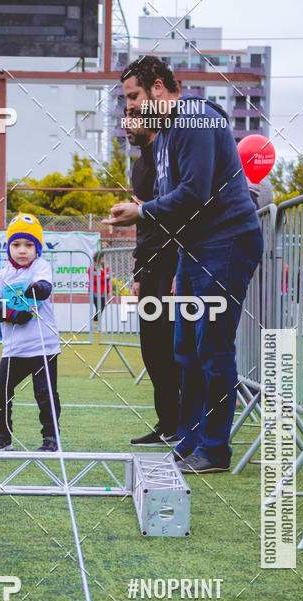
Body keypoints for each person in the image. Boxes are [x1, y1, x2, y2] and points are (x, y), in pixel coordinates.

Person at [107, 56, 263, 473]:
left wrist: (141, 213)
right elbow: (179, 209)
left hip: (227, 242)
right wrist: (178, 263)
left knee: (212, 348)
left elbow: (194, 193)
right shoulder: (168, 132)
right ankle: (192, 439)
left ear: (158, 87)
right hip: (197, 249)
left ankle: (214, 449)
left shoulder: (194, 117)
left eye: (134, 96)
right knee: (185, 349)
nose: (132, 107)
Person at [0, 213, 61, 451]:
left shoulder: (41, 266)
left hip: (43, 347)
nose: (22, 250)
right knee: (1, 391)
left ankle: (50, 438)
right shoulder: (1, 275)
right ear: (8, 248)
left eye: (29, 245)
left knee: (45, 395)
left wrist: (36, 289)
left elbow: (45, 287)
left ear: (37, 249)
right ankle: (3, 436)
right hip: (13, 349)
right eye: (16, 245)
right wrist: (12, 315)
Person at [125, 110, 181, 447]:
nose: (128, 125)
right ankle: (167, 423)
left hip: (173, 264)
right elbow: (143, 222)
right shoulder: (140, 164)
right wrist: (137, 270)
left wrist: (181, 266)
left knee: (175, 349)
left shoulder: (168, 156)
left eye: (134, 116)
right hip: (150, 267)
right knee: (152, 351)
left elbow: (179, 214)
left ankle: (187, 425)